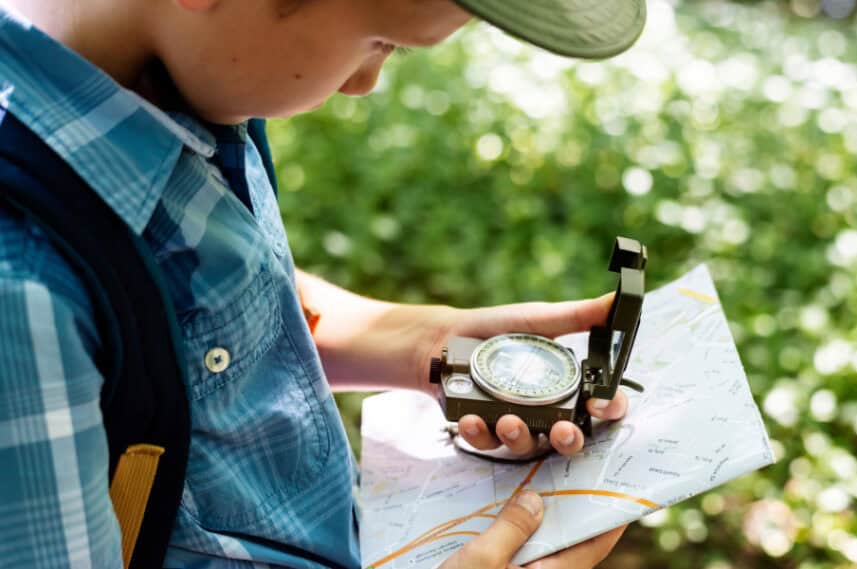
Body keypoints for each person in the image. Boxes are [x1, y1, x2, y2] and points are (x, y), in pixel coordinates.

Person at [0, 0, 645, 567]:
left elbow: (197, 303)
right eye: (382, 42)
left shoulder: (182, 85)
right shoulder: (21, 297)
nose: (365, 83)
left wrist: (425, 341)